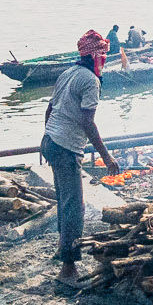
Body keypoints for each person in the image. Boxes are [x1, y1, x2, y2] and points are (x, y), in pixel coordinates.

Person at [43, 31, 121, 286]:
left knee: (64, 200)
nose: (105, 61)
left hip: (51, 142)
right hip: (65, 147)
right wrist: (106, 157)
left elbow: (49, 109)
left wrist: (47, 137)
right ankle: (68, 269)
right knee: (75, 206)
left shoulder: (68, 73)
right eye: (104, 56)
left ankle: (61, 248)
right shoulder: (90, 81)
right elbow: (88, 121)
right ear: (96, 57)